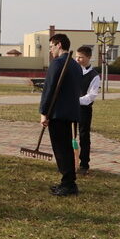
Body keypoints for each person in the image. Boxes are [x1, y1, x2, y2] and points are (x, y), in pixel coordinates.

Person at [39, 34, 82, 196]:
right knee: (65, 148)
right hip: (71, 111)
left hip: (58, 112)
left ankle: (69, 184)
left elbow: (48, 89)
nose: (50, 50)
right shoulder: (75, 65)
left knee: (61, 149)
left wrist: (44, 112)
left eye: (51, 46)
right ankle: (67, 181)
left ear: (59, 45)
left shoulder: (57, 63)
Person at [76, 45, 100, 175]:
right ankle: (70, 162)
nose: (78, 59)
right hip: (71, 108)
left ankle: (84, 164)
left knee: (84, 136)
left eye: (81, 57)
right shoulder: (74, 70)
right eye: (77, 57)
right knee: (69, 134)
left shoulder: (94, 76)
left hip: (84, 109)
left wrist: (76, 101)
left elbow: (91, 96)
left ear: (89, 57)